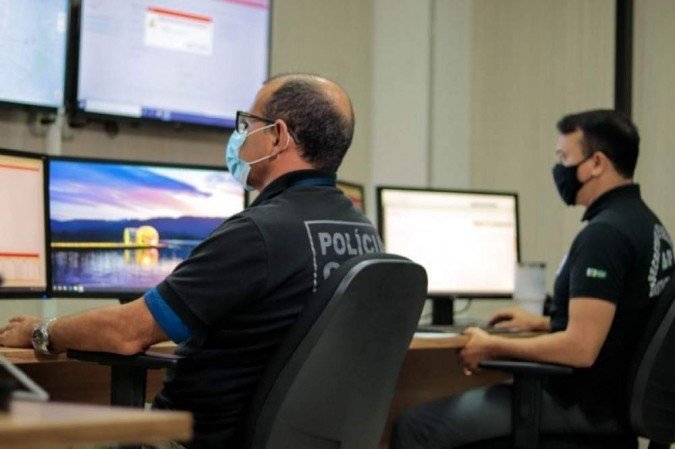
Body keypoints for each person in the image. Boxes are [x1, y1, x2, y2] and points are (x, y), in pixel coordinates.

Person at [0, 73, 383, 449]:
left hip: (192, 438)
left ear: (278, 136)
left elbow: (128, 333)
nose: (241, 136)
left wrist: (42, 331)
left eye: (249, 124)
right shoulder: (365, 234)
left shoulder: (259, 233)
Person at [391, 109, 675, 448]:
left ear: (596, 163)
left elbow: (581, 348)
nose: (559, 170)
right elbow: (624, 318)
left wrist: (492, 344)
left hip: (580, 406)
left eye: (564, 157)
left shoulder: (605, 235)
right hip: (613, 407)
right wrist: (543, 323)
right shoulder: (648, 226)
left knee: (413, 426)